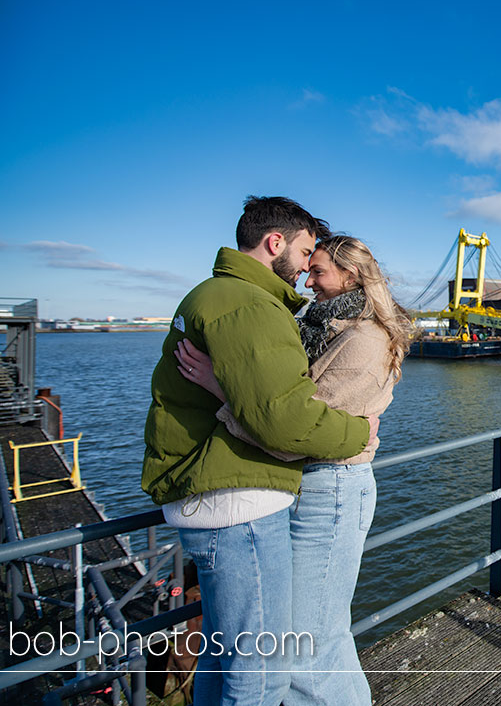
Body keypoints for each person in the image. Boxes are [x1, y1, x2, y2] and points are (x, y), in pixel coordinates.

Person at [142, 197, 376, 706]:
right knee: (262, 672)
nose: (307, 273)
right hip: (236, 498)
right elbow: (283, 419)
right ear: (276, 244)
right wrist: (360, 435)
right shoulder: (250, 304)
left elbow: (265, 406)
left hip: (215, 491)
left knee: (225, 657)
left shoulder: (221, 294)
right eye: (306, 252)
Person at [176, 235, 411, 705]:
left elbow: (293, 426)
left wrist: (223, 390)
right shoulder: (326, 326)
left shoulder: (363, 339)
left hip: (333, 486)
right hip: (310, 483)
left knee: (309, 643)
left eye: (318, 270)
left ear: (351, 276)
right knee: (317, 633)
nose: (307, 279)